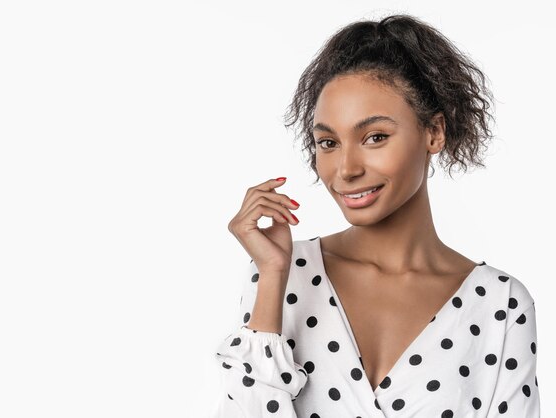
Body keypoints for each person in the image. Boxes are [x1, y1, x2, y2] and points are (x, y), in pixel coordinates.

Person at [211, 13, 540, 417]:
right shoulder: (282, 274)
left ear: (434, 133)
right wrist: (273, 275)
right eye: (328, 142)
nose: (346, 169)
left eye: (375, 137)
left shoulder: (499, 305)